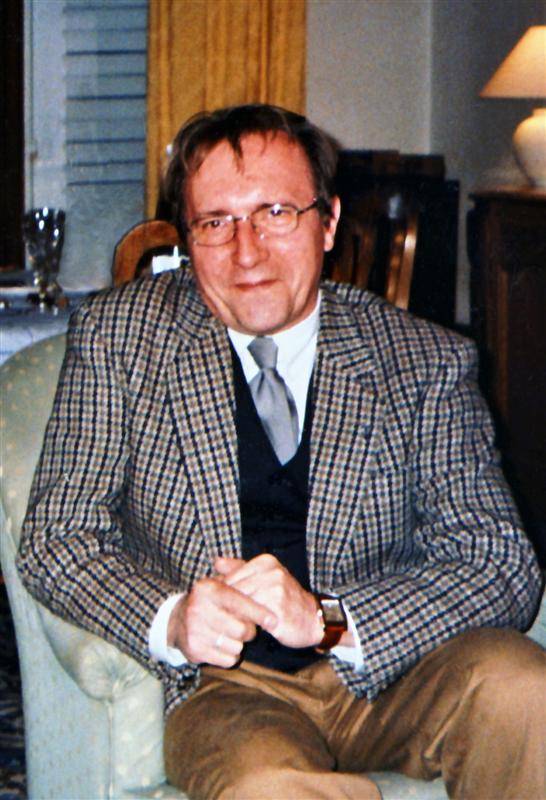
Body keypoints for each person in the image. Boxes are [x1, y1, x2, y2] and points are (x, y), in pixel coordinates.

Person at [18, 104, 544, 800]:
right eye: (216, 223)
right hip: (229, 689)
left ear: (327, 224)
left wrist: (326, 620)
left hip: (398, 670)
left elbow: (498, 560)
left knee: (528, 695)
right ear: (187, 239)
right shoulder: (121, 341)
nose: (247, 251)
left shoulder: (421, 361)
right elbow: (56, 535)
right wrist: (172, 617)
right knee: (269, 786)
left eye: (275, 213)